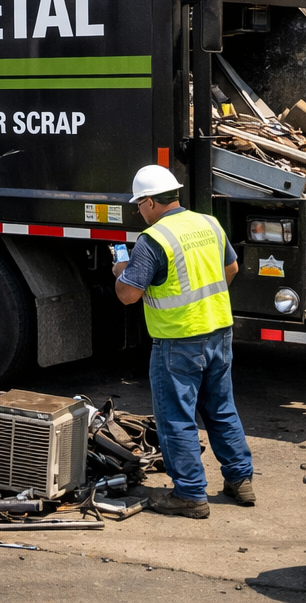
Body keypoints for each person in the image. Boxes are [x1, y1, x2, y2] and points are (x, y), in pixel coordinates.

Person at [112, 165, 253, 519]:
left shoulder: (153, 239)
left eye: (139, 204)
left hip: (177, 341)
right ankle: (240, 480)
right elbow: (232, 269)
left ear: (149, 202)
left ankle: (190, 494)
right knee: (221, 409)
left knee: (176, 418)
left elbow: (128, 295)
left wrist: (120, 273)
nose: (139, 211)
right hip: (219, 331)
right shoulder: (209, 223)